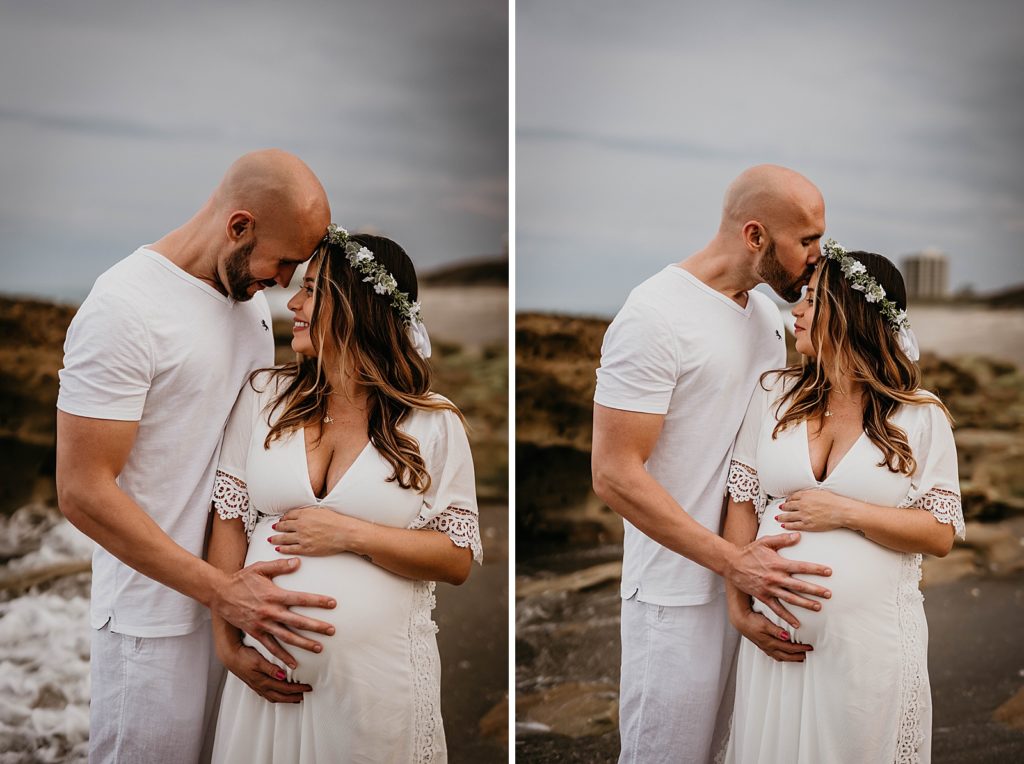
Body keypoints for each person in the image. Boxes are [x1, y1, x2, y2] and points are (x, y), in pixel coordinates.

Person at [55, 150, 339, 763]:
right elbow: (82, 491)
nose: (287, 282)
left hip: (236, 615)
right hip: (150, 623)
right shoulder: (124, 308)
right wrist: (219, 592)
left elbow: (245, 468)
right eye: (283, 260)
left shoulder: (251, 312)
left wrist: (230, 611)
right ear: (239, 226)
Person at [206, 225, 481, 763]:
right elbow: (228, 523)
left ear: (357, 306)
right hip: (263, 685)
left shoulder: (432, 422)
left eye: (312, 290)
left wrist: (350, 533)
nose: (294, 302)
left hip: (376, 691)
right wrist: (228, 644)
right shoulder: (265, 394)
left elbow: (456, 559)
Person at [591, 165, 836, 764]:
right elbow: (614, 474)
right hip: (674, 596)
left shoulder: (762, 317)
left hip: (749, 585)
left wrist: (745, 580)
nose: (817, 256)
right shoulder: (654, 316)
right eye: (806, 240)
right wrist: (736, 565)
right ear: (755, 235)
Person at [722, 243, 962, 763]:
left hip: (868, 648)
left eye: (812, 299)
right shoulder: (773, 395)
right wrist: (739, 608)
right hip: (774, 645)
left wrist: (845, 512)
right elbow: (741, 504)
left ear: (851, 312)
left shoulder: (919, 417)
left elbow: (940, 534)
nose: (797, 311)